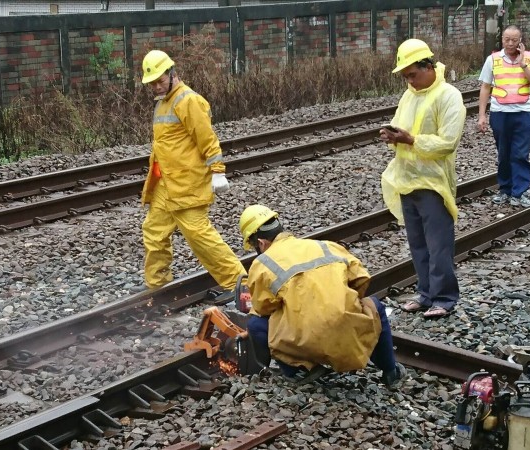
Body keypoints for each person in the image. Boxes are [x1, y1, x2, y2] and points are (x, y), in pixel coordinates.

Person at [238, 204, 406, 389]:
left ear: (261, 242)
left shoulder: (262, 263)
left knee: (256, 324)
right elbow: (361, 278)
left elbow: (263, 307)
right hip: (350, 327)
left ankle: (300, 372)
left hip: (305, 340)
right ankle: (390, 371)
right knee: (375, 306)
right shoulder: (326, 246)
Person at [140, 49, 246, 292]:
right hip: (166, 184)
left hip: (187, 185)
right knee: (154, 233)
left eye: (160, 81)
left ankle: (242, 286)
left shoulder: (188, 100)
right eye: (152, 83)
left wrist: (218, 171)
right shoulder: (163, 103)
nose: (156, 87)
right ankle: (157, 286)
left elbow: (207, 139)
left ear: (172, 73)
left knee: (200, 238)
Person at [379, 39, 466, 319]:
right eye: (406, 77)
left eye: (413, 75)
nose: (410, 81)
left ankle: (444, 298)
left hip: (433, 182)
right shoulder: (409, 96)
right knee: (418, 243)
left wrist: (412, 140)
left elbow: (448, 142)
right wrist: (393, 136)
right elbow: (401, 125)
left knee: (438, 244)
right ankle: (426, 293)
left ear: (428, 66)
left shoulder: (448, 96)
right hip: (407, 179)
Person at [477, 25, 530, 208]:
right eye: (507, 39)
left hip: (522, 113)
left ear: (520, 40)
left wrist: (523, 64)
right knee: (504, 153)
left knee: (520, 154)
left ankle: (520, 192)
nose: (510, 43)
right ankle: (505, 189)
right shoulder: (493, 59)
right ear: (502, 39)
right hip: (499, 113)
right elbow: (485, 87)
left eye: (514, 40)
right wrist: (482, 115)